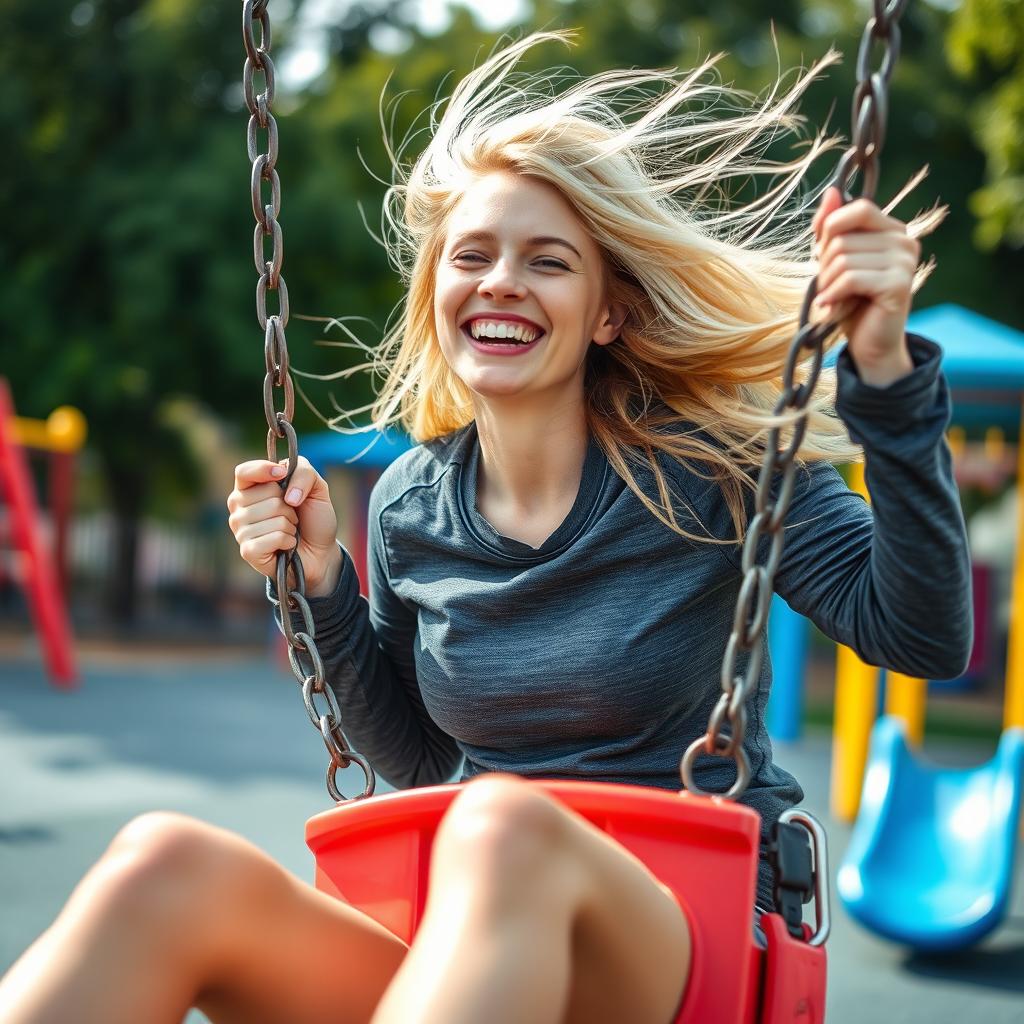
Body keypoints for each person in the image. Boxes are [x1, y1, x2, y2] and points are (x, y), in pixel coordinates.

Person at [0, 30, 972, 1024]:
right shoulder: (412, 504)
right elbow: (420, 759)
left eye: (547, 262)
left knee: (503, 821)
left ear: (606, 314)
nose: (501, 280)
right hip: (480, 935)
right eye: (472, 255)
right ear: (438, 292)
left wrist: (886, 379)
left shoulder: (719, 468)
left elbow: (922, 635)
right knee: (167, 863)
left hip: (682, 935)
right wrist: (324, 580)